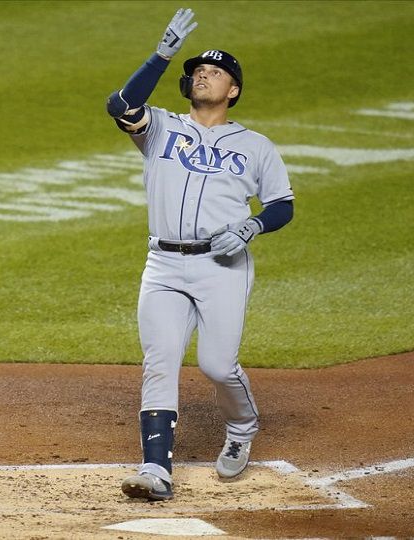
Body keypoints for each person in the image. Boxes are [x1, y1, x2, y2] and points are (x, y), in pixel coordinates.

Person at [106, 8, 295, 501]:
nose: (202, 75)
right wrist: (161, 54)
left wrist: (253, 225)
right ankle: (155, 470)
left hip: (222, 266)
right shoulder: (161, 129)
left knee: (216, 365)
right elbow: (120, 104)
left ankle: (241, 426)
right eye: (196, 71)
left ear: (233, 90)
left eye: (214, 72)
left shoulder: (255, 146)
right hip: (164, 265)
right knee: (161, 359)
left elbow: (282, 205)